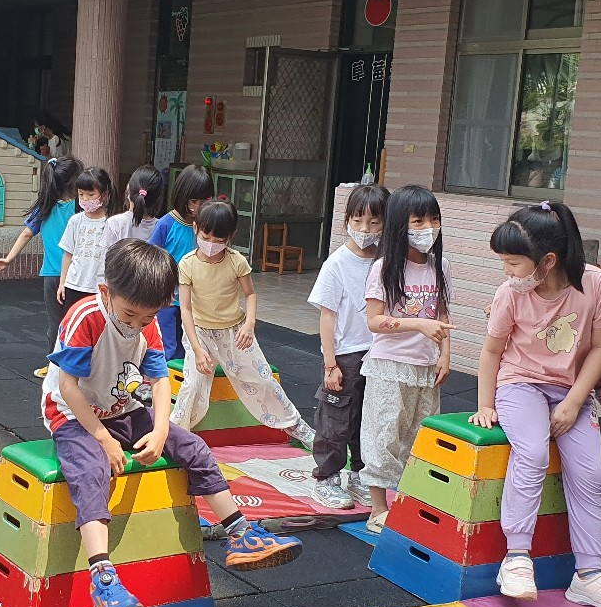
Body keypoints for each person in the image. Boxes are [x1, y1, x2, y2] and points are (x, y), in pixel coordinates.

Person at [43, 238, 303, 607]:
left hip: (122, 408)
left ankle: (241, 534)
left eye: (147, 318)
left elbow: (160, 379)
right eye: (130, 315)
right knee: (93, 469)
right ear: (106, 292)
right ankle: (102, 577)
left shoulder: (146, 324)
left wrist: (162, 429)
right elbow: (68, 388)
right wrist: (102, 438)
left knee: (193, 446)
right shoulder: (86, 317)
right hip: (72, 415)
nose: (137, 325)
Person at [470, 202, 601, 607]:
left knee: (591, 474)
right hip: (520, 383)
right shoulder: (510, 293)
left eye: (513, 263)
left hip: (570, 389)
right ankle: (516, 557)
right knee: (531, 452)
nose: (507, 272)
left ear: (547, 261)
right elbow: (492, 351)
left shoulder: (595, 283)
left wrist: (575, 401)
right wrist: (485, 404)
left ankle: (589, 575)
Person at [171, 199, 317, 452]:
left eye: (219, 240)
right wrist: (196, 348)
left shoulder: (236, 261)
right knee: (192, 385)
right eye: (206, 237)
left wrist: (249, 325)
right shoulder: (187, 264)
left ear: (230, 237)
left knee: (263, 380)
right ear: (195, 228)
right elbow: (185, 309)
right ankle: (177, 435)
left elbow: (250, 294)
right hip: (200, 333)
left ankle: (296, 426)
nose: (211, 244)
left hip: (234, 332)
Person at [360, 185, 453, 533]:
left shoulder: (440, 267)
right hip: (390, 365)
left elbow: (442, 315)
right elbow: (374, 321)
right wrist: (418, 324)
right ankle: (377, 509)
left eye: (434, 220)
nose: (428, 228)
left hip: (425, 366)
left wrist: (445, 354)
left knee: (420, 434)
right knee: (384, 433)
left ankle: (409, 502)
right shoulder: (384, 268)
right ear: (401, 225)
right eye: (418, 221)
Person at [306, 183, 390, 508]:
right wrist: (331, 363)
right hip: (345, 355)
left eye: (374, 222)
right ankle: (326, 479)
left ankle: (360, 475)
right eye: (358, 221)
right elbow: (327, 317)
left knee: (369, 419)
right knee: (335, 421)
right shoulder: (337, 263)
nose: (365, 230)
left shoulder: (386, 261)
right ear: (347, 220)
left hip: (379, 353)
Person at [0, 155, 80, 376]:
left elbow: (26, 234)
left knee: (55, 323)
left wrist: (9, 258)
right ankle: (75, 366)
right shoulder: (79, 209)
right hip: (77, 275)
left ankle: (54, 367)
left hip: (52, 275)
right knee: (77, 321)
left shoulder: (45, 208)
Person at [149, 163, 214, 361]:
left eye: (205, 201)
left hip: (195, 300)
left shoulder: (205, 226)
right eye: (194, 201)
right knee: (168, 347)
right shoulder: (166, 224)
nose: (198, 207)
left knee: (193, 346)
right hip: (169, 299)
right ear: (182, 196)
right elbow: (152, 259)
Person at [57, 166, 116, 311]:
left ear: (104, 195)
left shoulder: (112, 223)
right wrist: (62, 282)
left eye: (91, 194)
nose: (85, 199)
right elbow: (68, 254)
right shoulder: (75, 221)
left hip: (100, 288)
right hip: (73, 284)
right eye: (81, 194)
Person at [100, 165, 166, 283]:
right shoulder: (162, 226)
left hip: (119, 287)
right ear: (158, 198)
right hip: (149, 288)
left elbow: (104, 263)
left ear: (129, 190)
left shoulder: (115, 223)